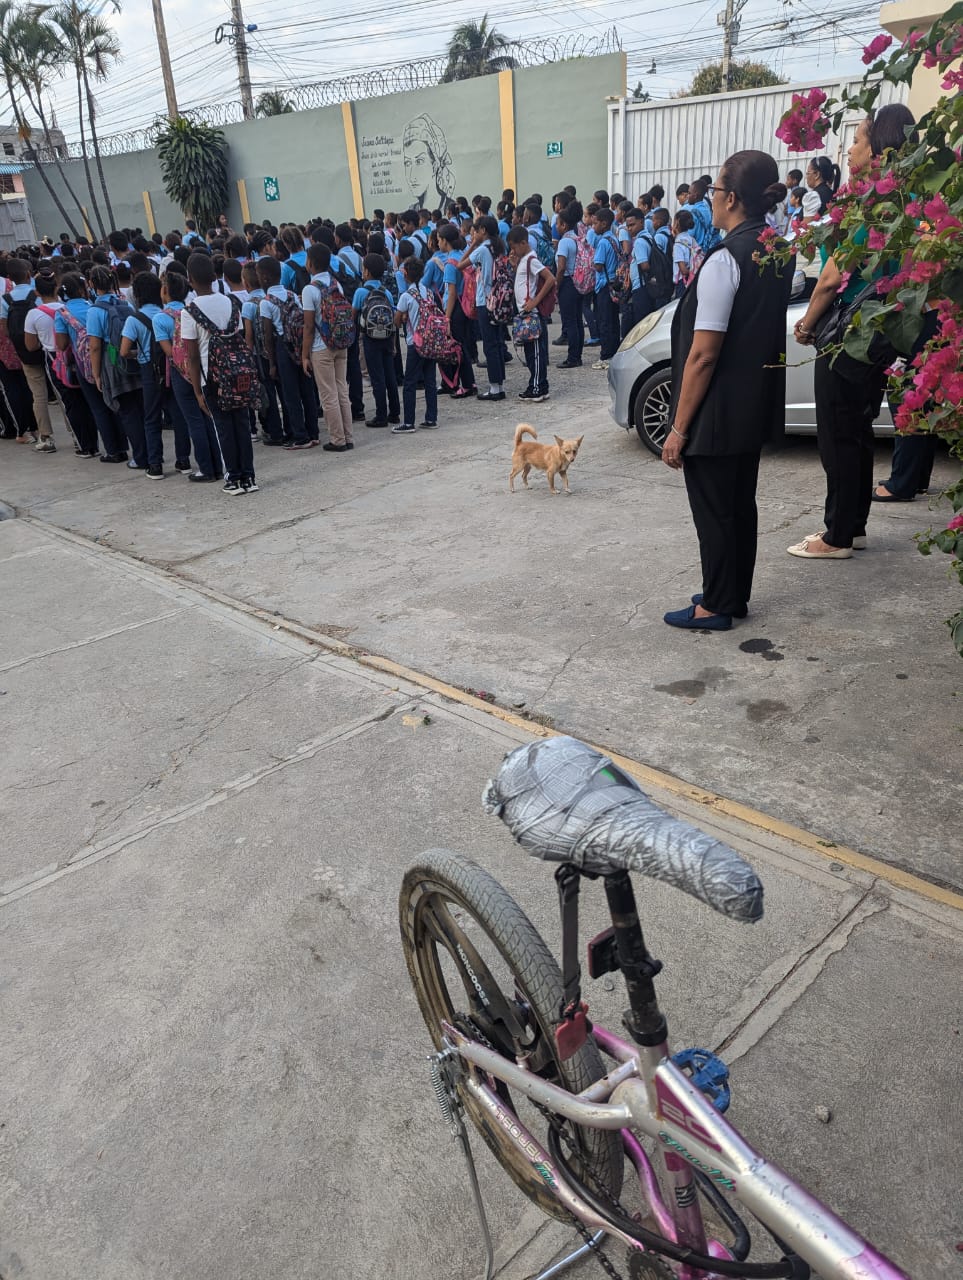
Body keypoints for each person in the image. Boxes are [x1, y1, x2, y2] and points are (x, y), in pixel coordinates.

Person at [661, 150, 793, 629]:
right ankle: (731, 594)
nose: (710, 199)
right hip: (751, 404)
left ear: (732, 198)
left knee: (716, 512)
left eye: (714, 191)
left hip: (716, 411)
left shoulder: (726, 258)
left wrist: (678, 428)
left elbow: (703, 355)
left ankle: (716, 605)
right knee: (739, 506)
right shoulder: (774, 247)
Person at [789, 104, 916, 559]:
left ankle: (837, 535)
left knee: (838, 436)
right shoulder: (905, 201)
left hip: (847, 334)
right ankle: (854, 525)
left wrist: (806, 324)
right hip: (878, 334)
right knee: (858, 431)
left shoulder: (871, 205)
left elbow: (829, 279)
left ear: (878, 150)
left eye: (858, 140)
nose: (849, 148)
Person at [181, 251, 258, 495]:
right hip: (237, 371)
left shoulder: (189, 312)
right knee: (242, 424)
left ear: (189, 279)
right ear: (215, 277)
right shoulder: (231, 302)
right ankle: (248, 476)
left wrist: (196, 390)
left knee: (223, 428)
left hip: (211, 376)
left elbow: (192, 355)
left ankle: (233, 478)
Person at [119, 269, 191, 479]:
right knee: (178, 415)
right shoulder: (170, 315)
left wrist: (139, 352)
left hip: (149, 372)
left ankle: (155, 464)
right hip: (174, 369)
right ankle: (183, 460)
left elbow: (123, 351)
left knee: (151, 418)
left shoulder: (135, 319)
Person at [155, 269, 223, 482]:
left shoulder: (160, 318)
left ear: (165, 291)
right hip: (202, 369)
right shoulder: (191, 311)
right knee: (208, 417)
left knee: (193, 420)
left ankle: (205, 468)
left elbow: (169, 352)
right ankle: (218, 465)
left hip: (180, 374)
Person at [54, 271, 128, 463]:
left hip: (83, 364)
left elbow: (61, 345)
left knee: (98, 408)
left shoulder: (62, 313)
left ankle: (112, 451)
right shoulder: (93, 306)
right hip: (107, 359)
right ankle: (123, 446)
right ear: (83, 289)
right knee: (113, 403)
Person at [24, 266, 99, 457]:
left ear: (37, 292)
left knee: (69, 403)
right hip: (84, 358)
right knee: (87, 400)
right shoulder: (78, 307)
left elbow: (31, 345)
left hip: (57, 360)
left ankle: (81, 442)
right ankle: (92, 442)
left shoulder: (35, 314)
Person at [257, 255, 319, 451]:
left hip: (282, 348)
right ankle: (313, 432)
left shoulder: (266, 302)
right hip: (300, 347)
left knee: (290, 394)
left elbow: (267, 335)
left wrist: (272, 363)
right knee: (307, 390)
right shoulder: (293, 295)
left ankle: (299, 436)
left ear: (265, 278)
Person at [301, 242, 354, 451]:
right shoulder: (335, 284)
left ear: (311, 263)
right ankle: (348, 437)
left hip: (320, 346)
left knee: (328, 394)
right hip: (341, 342)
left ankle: (337, 439)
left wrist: (304, 355)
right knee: (342, 390)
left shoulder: (309, 289)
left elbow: (308, 326)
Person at [1, 257, 51, 451]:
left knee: (31, 391)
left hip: (20, 350)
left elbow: (4, 328)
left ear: (10, 278)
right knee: (52, 389)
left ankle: (37, 433)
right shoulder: (37, 295)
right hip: (44, 347)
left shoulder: (5, 299)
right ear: (29, 275)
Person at [352, 251, 401, 428]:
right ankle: (394, 413)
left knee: (377, 377)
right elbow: (393, 315)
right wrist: (394, 342)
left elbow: (353, 315)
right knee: (390, 376)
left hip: (370, 339)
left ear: (366, 272)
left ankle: (381, 415)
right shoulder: (386, 292)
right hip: (387, 338)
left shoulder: (360, 292)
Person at [461, 215, 507, 402]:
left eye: (476, 230)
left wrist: (472, 245)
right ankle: (499, 383)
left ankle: (495, 388)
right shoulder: (498, 247)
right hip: (497, 299)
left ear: (483, 231)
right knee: (496, 342)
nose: (474, 233)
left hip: (484, 300)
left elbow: (460, 265)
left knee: (489, 345)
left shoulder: (481, 250)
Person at [507, 226, 555, 403]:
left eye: (514, 246)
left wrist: (534, 301)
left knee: (535, 353)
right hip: (525, 313)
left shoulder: (531, 260)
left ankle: (537, 387)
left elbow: (550, 278)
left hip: (532, 313)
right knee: (531, 352)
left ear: (523, 243)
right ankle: (537, 385)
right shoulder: (524, 260)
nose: (513, 251)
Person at [394, 255, 438, 433]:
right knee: (430, 381)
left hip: (415, 343)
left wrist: (403, 317)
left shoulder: (406, 296)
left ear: (406, 274)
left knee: (410, 382)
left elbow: (397, 321)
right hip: (430, 341)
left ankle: (409, 422)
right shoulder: (428, 292)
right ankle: (431, 417)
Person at [403, 113, 456, 211]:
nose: (411, 176)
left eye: (419, 161)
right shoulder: (412, 211)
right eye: (407, 163)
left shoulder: (450, 208)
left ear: (434, 166)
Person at [554, 203, 583, 368]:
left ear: (564, 225)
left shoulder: (564, 242)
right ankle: (577, 355)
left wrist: (556, 287)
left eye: (558, 223)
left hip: (567, 282)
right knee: (577, 320)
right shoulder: (577, 238)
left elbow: (561, 267)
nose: (556, 226)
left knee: (570, 321)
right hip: (577, 282)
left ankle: (572, 357)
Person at [591, 207, 620, 366]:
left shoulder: (603, 242)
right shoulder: (613, 238)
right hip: (613, 284)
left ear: (604, 223)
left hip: (603, 285)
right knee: (613, 320)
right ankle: (614, 351)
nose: (593, 226)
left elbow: (598, 265)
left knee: (604, 321)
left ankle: (605, 355)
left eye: (595, 223)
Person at [671, 209, 700, 297]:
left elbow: (683, 270)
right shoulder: (692, 239)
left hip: (682, 282)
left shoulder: (678, 244)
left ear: (677, 223)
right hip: (693, 280)